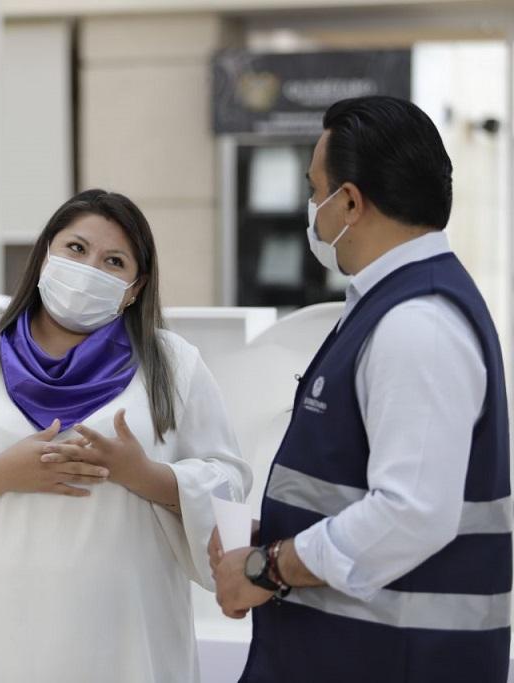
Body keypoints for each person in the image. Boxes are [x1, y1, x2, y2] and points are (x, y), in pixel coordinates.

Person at [0, 189, 251, 682]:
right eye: (76, 249)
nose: (89, 269)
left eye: (113, 261)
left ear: (135, 287)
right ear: (45, 252)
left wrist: (144, 476)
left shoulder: (173, 364)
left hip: (123, 642)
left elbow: (230, 489)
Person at [211, 97, 511, 682]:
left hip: (391, 662)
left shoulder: (416, 323)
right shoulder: (386, 306)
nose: (312, 213)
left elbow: (411, 514)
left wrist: (268, 566)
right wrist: (275, 538)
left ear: (349, 201)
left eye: (315, 190)